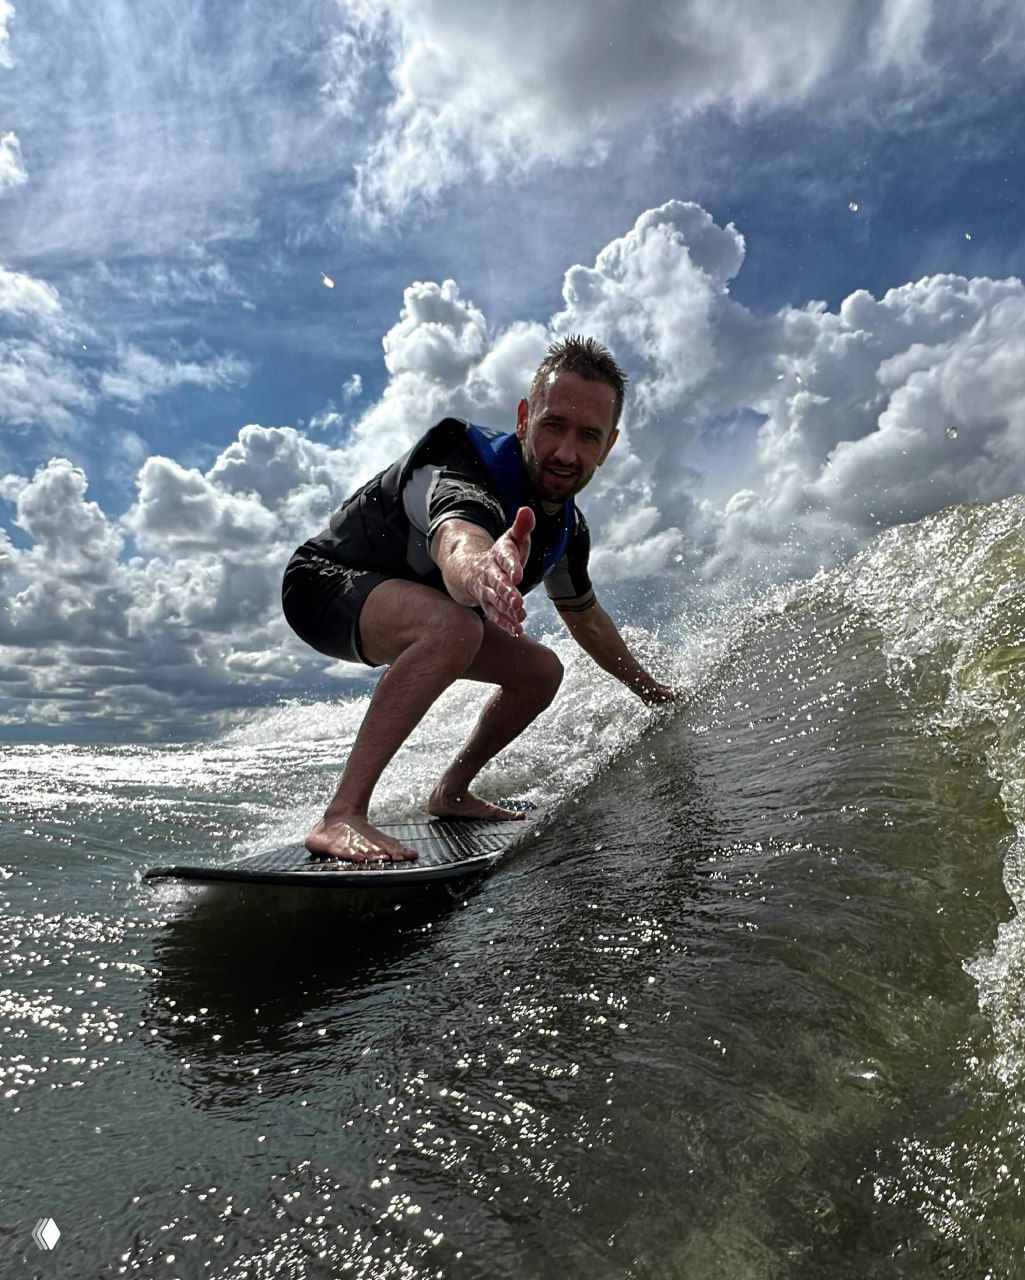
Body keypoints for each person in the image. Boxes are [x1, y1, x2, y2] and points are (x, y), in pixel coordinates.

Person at [282, 335, 675, 863]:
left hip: (416, 608)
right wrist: (482, 569)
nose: (566, 452)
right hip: (323, 585)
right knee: (455, 628)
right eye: (553, 425)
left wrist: (653, 694)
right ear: (523, 418)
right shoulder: (463, 462)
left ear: (608, 446)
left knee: (541, 670)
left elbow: (589, 623)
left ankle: (451, 793)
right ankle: (341, 815)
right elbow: (455, 533)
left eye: (588, 436)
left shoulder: (567, 532)